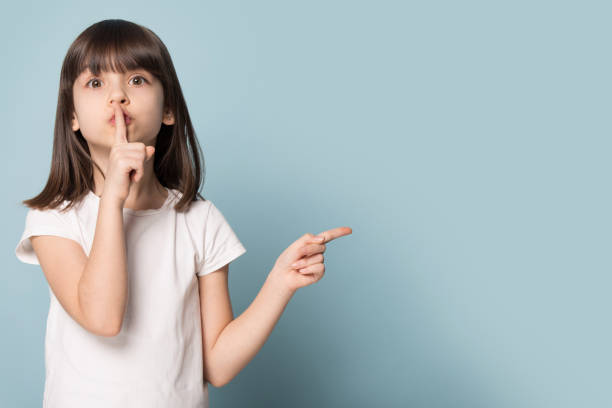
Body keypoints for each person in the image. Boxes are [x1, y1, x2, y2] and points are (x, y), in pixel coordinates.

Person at [14, 19, 352, 408]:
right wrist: (113, 202)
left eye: (137, 80)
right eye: (95, 83)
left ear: (169, 108)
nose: (117, 97)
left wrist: (280, 283)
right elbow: (102, 318)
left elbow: (218, 366)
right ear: (72, 116)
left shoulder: (200, 220)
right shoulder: (54, 218)